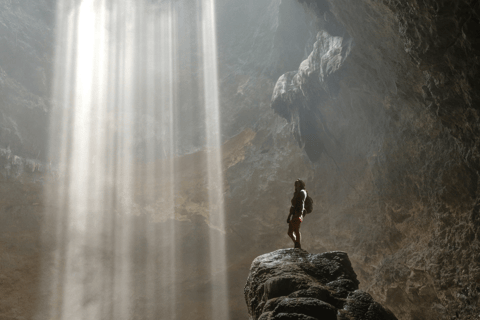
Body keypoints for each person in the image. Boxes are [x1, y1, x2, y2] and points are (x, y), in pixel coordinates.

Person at [287, 179, 307, 249]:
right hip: (293, 214)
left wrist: (300, 214)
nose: (295, 185)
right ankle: (296, 243)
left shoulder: (302, 192)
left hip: (298, 213)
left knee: (296, 229)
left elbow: (302, 203)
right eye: (295, 184)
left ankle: (298, 245)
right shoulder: (296, 193)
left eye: (297, 183)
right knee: (290, 232)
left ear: (300, 184)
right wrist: (289, 216)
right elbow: (292, 205)